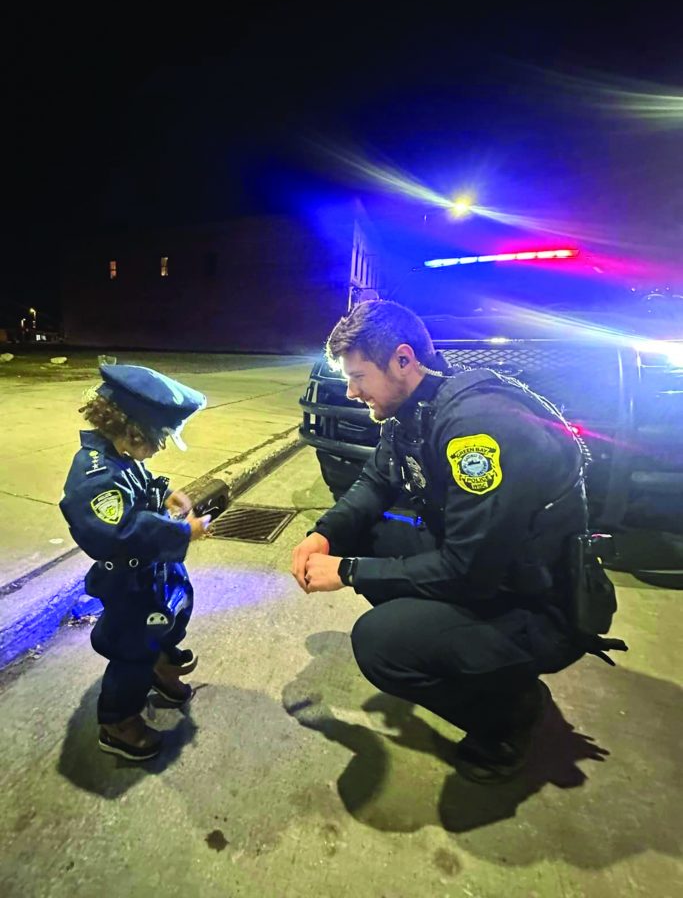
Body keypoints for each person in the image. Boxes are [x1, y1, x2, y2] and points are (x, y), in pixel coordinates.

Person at [291, 300, 614, 783]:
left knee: (379, 643)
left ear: (402, 360)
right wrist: (324, 534)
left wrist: (348, 570)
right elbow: (376, 482)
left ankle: (512, 714)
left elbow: (469, 571)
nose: (352, 391)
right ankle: (470, 655)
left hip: (541, 604)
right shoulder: (416, 406)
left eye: (359, 377)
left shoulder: (477, 428)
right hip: (496, 571)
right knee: (375, 532)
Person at [60, 363, 211, 761]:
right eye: (158, 438)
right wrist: (182, 532)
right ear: (131, 430)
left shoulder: (121, 456)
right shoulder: (93, 477)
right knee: (132, 651)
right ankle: (117, 720)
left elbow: (142, 480)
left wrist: (165, 492)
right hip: (128, 582)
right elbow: (118, 532)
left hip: (152, 573)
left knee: (175, 609)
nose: (160, 447)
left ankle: (159, 664)